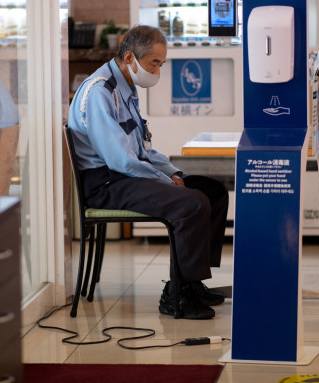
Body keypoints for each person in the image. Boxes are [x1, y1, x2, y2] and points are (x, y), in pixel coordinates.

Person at [68, 25, 229, 320]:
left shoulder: (127, 88)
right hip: (106, 183)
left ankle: (192, 283)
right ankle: (176, 296)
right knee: (191, 203)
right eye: (154, 63)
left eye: (161, 64)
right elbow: (120, 160)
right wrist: (166, 181)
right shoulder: (100, 92)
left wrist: (173, 172)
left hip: (125, 175)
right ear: (130, 56)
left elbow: (144, 149)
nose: (158, 71)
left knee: (213, 192)